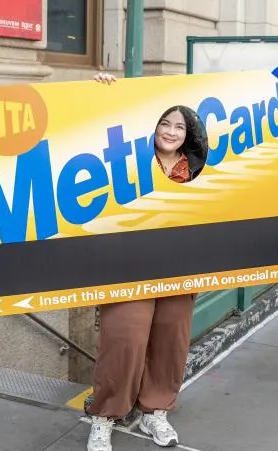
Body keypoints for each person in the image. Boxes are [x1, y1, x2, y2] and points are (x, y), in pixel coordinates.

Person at [85, 72, 208, 451]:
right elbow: (87, 138)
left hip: (179, 269)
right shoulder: (126, 160)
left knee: (171, 342)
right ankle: (105, 416)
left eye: (179, 125)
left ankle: (155, 412)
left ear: (189, 134)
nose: (170, 131)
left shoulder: (201, 171)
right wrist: (102, 93)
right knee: (124, 340)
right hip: (128, 267)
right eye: (163, 123)